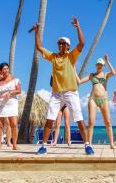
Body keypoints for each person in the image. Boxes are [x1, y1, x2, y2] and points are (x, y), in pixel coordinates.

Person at [33, 17, 94, 155]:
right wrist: (37, 32)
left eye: (63, 43)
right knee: (50, 118)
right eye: (59, 43)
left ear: (68, 46)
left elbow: (82, 43)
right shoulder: (53, 56)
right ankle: (43, 145)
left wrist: (78, 26)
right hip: (56, 93)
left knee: (78, 117)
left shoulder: (70, 56)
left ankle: (87, 145)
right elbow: (38, 47)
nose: (60, 44)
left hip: (70, 92)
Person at [78, 55, 116, 148]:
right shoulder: (92, 75)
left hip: (104, 99)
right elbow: (79, 81)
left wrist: (107, 61)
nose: (99, 66)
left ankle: (111, 143)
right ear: (96, 65)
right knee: (91, 122)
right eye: (98, 64)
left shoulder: (106, 75)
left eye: (101, 65)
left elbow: (114, 73)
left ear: (103, 66)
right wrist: (74, 69)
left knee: (108, 122)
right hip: (93, 99)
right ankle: (89, 144)